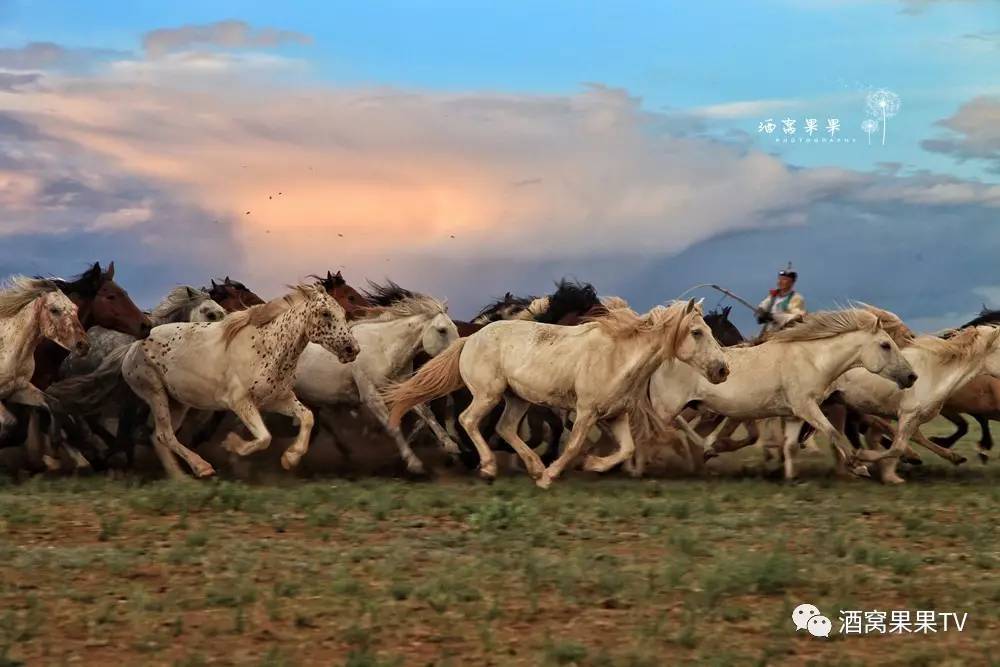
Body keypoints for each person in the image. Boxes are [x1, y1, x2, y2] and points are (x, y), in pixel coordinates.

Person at [755, 263, 806, 333]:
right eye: (780, 279)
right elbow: (762, 307)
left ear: (791, 283)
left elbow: (797, 316)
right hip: (769, 330)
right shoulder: (773, 296)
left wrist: (774, 317)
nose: (780, 282)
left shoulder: (796, 298)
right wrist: (761, 314)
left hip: (785, 331)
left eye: (784, 279)